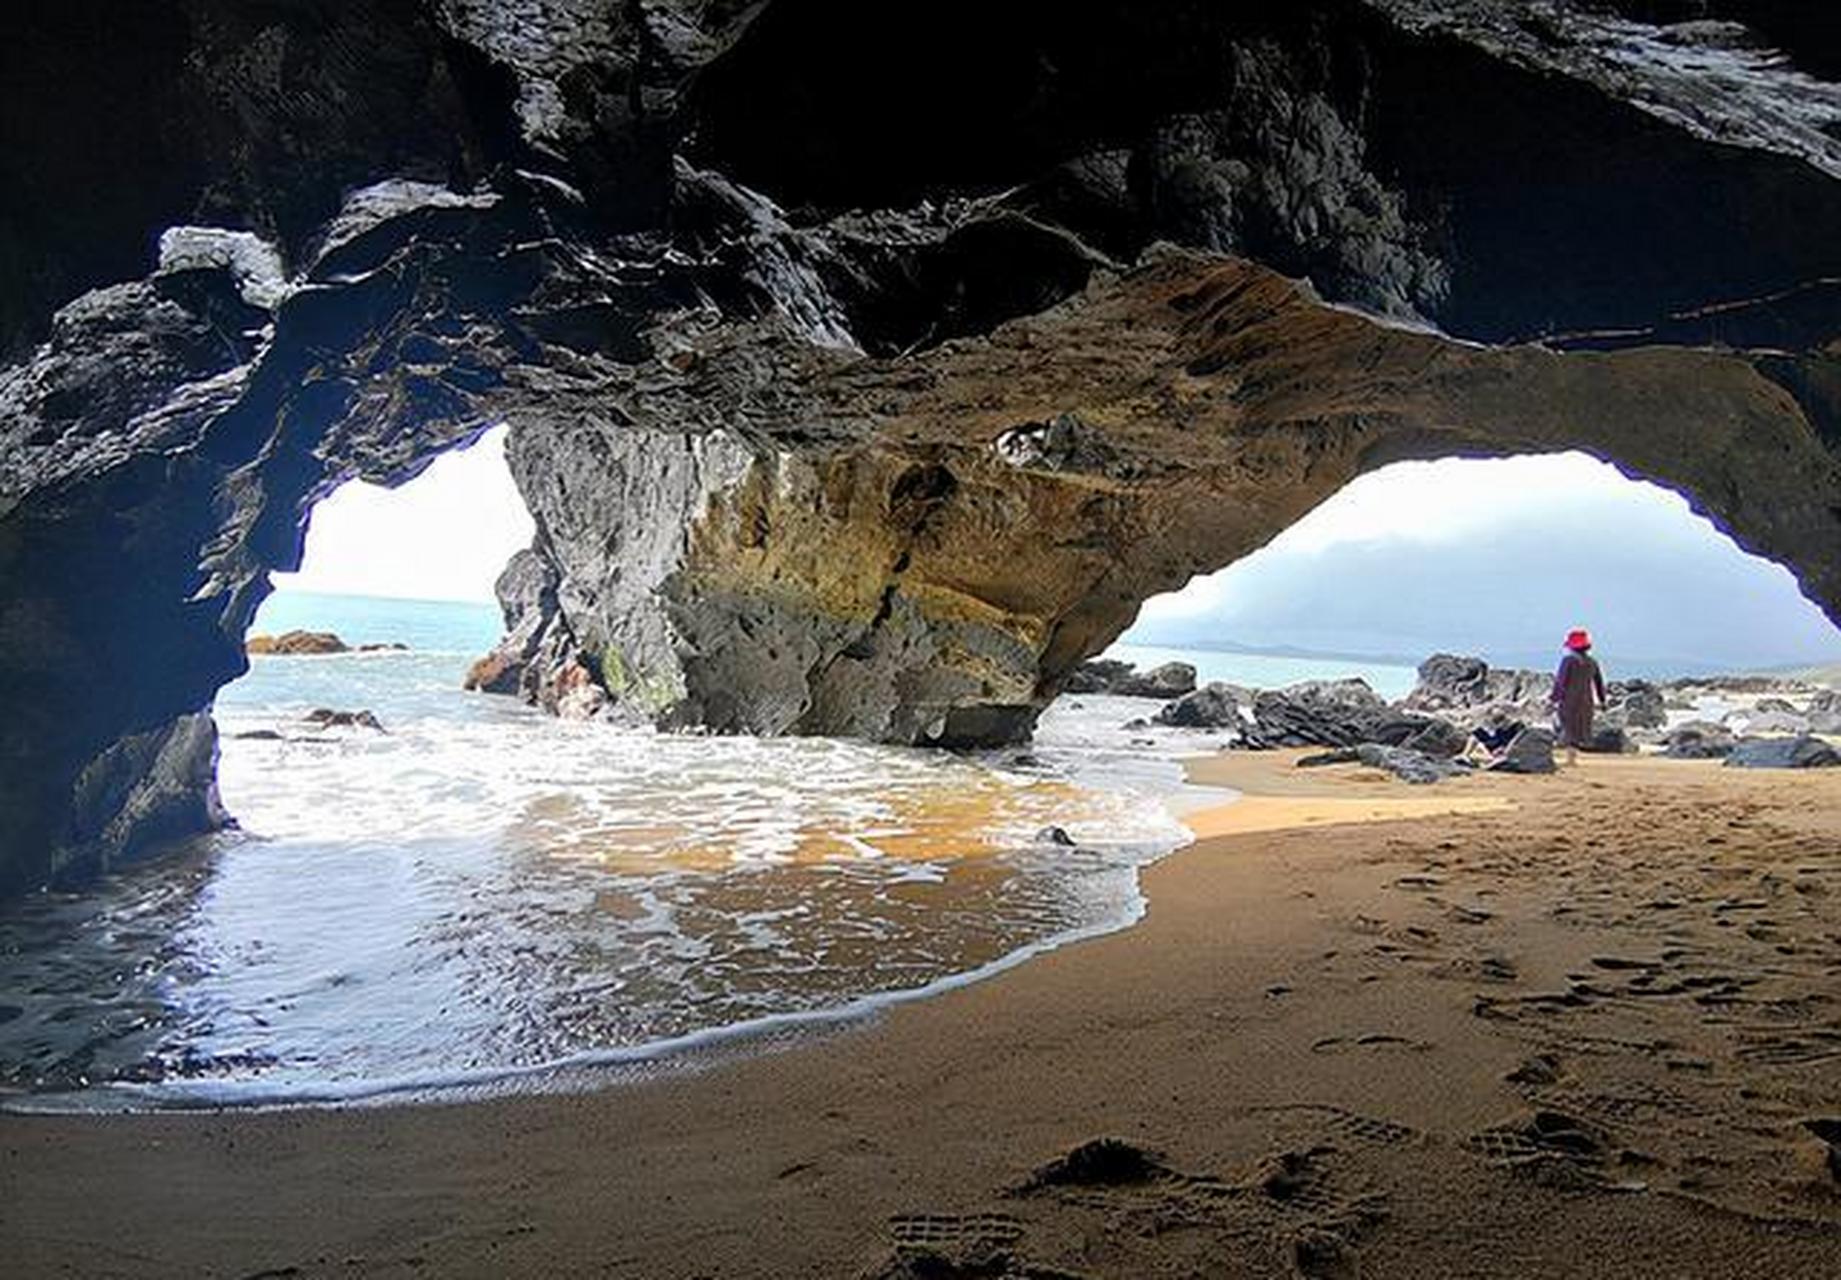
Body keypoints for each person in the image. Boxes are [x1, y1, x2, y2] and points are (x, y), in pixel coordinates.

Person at [1550, 627, 1607, 766]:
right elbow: (1599, 683)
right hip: (1586, 701)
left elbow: (1561, 681)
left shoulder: (1568, 660)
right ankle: (1572, 758)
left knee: (1569, 727)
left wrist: (1554, 698)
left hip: (1569, 700)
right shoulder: (1592, 662)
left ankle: (1570, 759)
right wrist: (1602, 700)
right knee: (1578, 728)